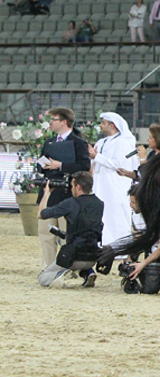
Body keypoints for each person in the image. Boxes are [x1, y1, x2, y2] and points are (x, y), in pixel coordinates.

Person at [36, 107, 91, 271]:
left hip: (68, 193)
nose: (50, 123)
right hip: (49, 191)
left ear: (64, 122)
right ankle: (49, 267)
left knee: (67, 234)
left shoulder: (78, 143)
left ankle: (67, 266)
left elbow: (84, 166)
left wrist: (60, 165)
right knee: (45, 233)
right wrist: (43, 165)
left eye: (54, 119)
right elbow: (39, 164)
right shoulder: (49, 142)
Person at [37, 171, 103, 287]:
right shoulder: (99, 203)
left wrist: (47, 193)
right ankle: (88, 272)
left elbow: (41, 214)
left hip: (72, 257)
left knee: (43, 279)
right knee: (84, 239)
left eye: (72, 186)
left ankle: (63, 274)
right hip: (93, 256)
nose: (70, 189)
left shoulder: (71, 203)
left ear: (78, 187)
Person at [89, 112, 139, 246]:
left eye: (103, 123)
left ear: (112, 125)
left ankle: (121, 248)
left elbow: (119, 165)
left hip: (116, 187)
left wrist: (97, 157)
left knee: (117, 216)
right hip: (100, 186)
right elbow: (95, 162)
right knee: (101, 216)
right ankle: (103, 246)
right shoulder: (101, 142)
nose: (100, 126)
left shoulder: (123, 143)